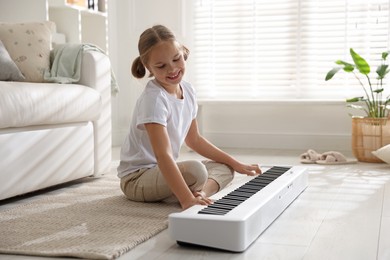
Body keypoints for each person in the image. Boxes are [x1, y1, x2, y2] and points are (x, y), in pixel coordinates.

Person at [117, 25, 262, 210]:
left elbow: (194, 140)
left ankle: (201, 194)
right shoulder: (153, 100)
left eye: (176, 59)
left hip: (162, 171)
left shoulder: (189, 91)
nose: (172, 69)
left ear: (182, 52)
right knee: (196, 171)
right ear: (148, 67)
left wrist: (236, 163)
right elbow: (163, 156)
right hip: (137, 179)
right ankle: (188, 194)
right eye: (161, 66)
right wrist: (186, 200)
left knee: (225, 167)